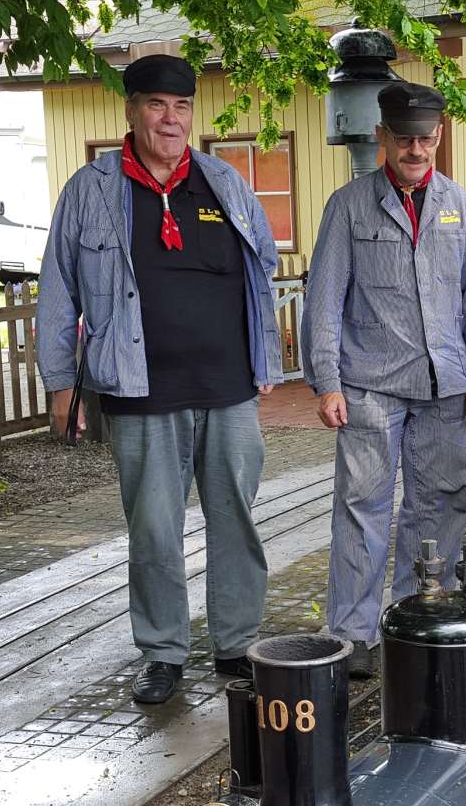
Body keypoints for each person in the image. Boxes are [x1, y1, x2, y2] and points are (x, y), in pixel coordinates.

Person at [35, 53, 282, 705]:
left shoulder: (223, 182)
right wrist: (61, 383)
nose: (171, 120)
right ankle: (163, 651)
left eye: (181, 107)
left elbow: (262, 270)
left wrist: (265, 358)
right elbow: (58, 290)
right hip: (139, 387)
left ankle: (236, 644)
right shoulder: (90, 190)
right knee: (153, 529)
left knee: (237, 521)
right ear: (131, 109)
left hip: (228, 386)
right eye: (156, 105)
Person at [304, 83, 466, 680]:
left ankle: (419, 616)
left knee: (440, 503)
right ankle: (353, 634)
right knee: (362, 507)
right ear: (382, 137)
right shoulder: (348, 206)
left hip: (445, 384)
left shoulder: (461, 206)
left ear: (439, 136)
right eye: (404, 139)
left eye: (426, 139)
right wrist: (326, 381)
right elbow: (324, 299)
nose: (416, 150)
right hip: (369, 385)